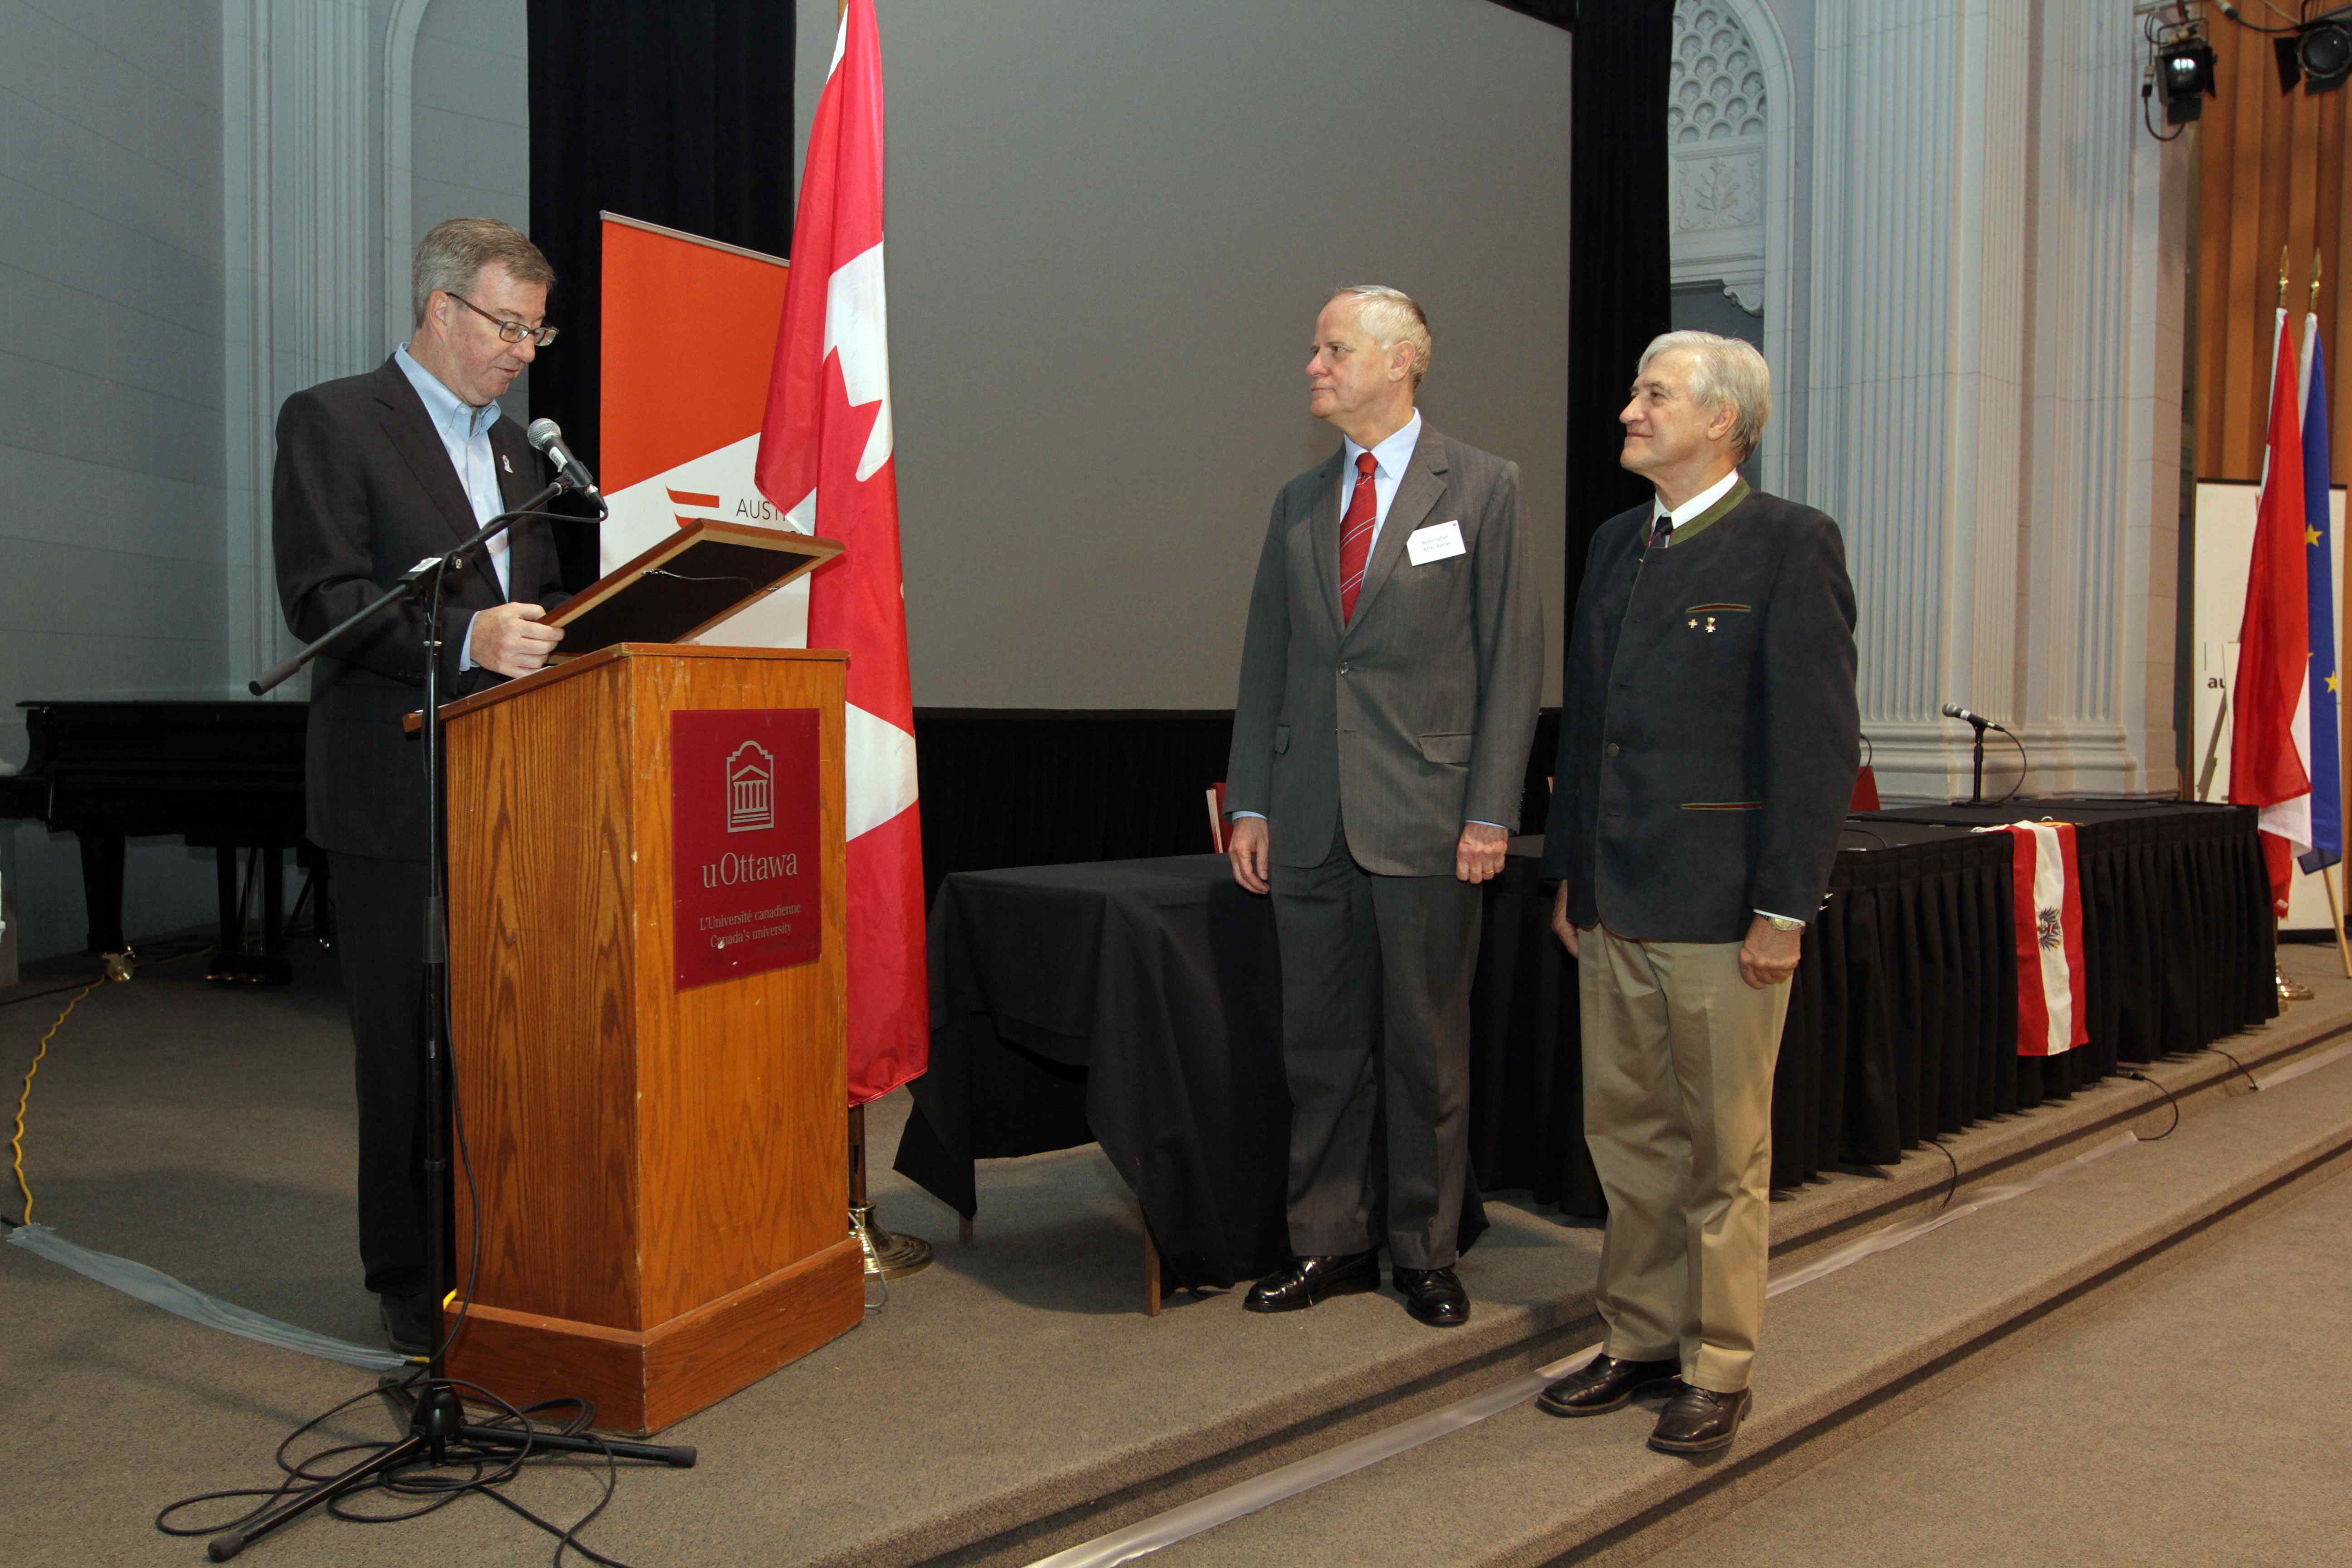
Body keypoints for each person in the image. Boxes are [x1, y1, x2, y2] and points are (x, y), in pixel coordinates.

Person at [1537, 331, 1858, 1453]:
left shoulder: (1789, 545)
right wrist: (1571, 870)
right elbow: (1590, 731)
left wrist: (1785, 908)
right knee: (1629, 1141)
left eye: (1654, 393)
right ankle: (1637, 1339)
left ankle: (1718, 1362)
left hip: (1725, 912)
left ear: (1724, 420)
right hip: (1616, 900)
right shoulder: (1616, 544)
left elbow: (1815, 748)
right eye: (1636, 390)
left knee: (1725, 1153)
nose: (1630, 409)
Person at [272, 218, 577, 1353]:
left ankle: (498, 1243)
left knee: (497, 1037)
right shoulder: (336, 421)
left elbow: (535, 612)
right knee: (404, 1045)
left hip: (512, 790)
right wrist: (462, 641)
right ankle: (410, 1281)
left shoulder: (518, 457)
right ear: (442, 309)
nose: (524, 351)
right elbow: (322, 600)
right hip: (394, 791)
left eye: (537, 330)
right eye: (509, 324)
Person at [1225, 285, 1543, 1328]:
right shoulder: (1298, 503)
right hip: (1309, 820)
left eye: (1332, 348)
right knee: (1319, 1050)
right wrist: (1253, 805)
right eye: (1315, 348)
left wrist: (1492, 812)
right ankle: (1328, 1243)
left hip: (1431, 821)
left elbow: (1510, 666)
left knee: (1424, 1052)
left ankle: (1423, 1251)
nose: (1312, 366)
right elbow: (1268, 662)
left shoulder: (1484, 489)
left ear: (1404, 358)